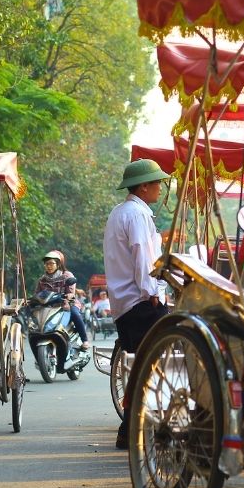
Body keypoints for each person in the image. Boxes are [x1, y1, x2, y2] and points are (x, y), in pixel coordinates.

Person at [104, 158, 171, 449]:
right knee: (160, 362)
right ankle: (134, 426)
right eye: (156, 183)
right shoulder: (136, 215)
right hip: (140, 301)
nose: (160, 188)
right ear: (144, 186)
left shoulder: (122, 212)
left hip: (126, 302)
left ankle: (131, 426)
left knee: (143, 364)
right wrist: (152, 292)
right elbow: (142, 258)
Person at [34, 250, 90, 350]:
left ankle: (85, 340)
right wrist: (33, 300)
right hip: (49, 307)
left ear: (59, 264)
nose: (48, 266)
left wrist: (68, 296)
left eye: (51, 263)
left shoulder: (67, 276)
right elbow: (37, 294)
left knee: (75, 314)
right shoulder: (42, 280)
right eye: (46, 264)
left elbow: (71, 292)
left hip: (67, 305)